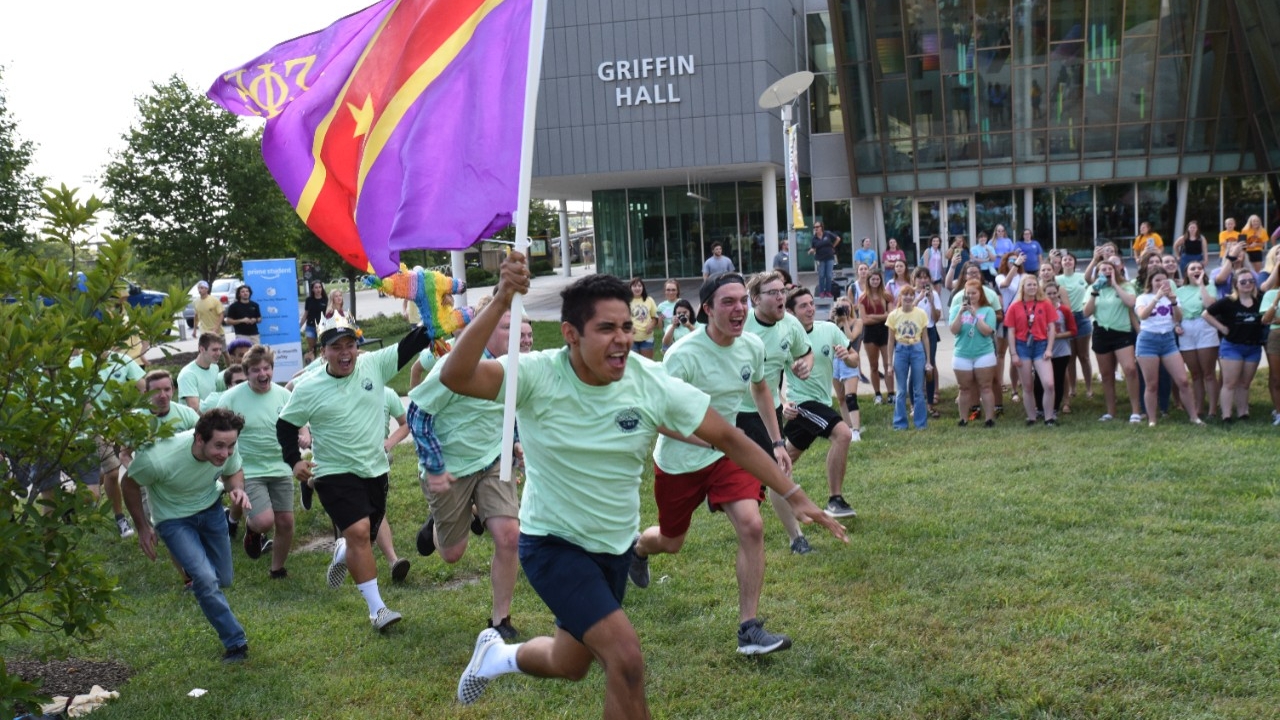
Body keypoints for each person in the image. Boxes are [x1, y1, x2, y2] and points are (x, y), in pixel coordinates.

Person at [444, 261, 844, 714]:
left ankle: (497, 656)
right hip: (554, 544)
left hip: (614, 547)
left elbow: (729, 437)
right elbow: (456, 376)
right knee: (626, 659)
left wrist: (794, 495)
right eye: (605, 328)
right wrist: (500, 298)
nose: (622, 338)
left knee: (570, 662)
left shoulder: (647, 379)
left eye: (626, 326)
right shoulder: (536, 375)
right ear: (571, 334)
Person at [634, 271, 832, 654]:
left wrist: (776, 439)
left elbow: (761, 386)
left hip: (727, 454)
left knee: (752, 525)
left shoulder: (751, 346)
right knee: (671, 541)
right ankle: (639, 549)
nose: (739, 308)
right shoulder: (683, 355)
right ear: (707, 309)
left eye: (743, 300)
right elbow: (656, 417)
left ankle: (749, 629)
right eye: (728, 302)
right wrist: (707, 440)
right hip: (680, 461)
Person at [275, 312, 436, 631]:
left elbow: (412, 343)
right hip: (333, 472)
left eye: (350, 344)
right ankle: (377, 610)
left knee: (366, 533)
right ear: (323, 352)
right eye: (336, 347)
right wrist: (294, 461)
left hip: (375, 470)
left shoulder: (374, 365)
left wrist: (437, 315)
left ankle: (343, 551)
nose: (345, 352)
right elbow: (285, 424)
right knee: (361, 531)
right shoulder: (308, 388)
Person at [407, 299, 523, 640]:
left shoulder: (513, 365)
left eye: (518, 328)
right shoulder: (454, 367)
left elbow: (510, 406)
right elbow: (417, 414)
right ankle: (440, 523)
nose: (516, 336)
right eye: (507, 328)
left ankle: (500, 620)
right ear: (484, 331)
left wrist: (514, 440)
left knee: (509, 535)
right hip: (450, 469)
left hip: (492, 460)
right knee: (452, 554)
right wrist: (435, 466)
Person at [120, 409, 251, 662]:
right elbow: (129, 484)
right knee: (205, 578)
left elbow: (234, 470)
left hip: (212, 510)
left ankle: (204, 585)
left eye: (231, 445)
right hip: (173, 520)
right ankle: (236, 642)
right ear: (199, 439)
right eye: (219, 446)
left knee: (222, 579)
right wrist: (143, 527)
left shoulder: (227, 450)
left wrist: (236, 489)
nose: (225, 453)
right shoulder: (158, 458)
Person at [734, 271, 815, 554]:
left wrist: (805, 364)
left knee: (778, 472)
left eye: (783, 291)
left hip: (767, 411)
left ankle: (796, 538)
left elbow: (805, 352)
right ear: (755, 299)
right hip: (732, 411)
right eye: (774, 292)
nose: (782, 296)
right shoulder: (741, 328)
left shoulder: (790, 324)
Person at [216, 345, 299, 578]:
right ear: (247, 372)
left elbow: (298, 419)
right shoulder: (231, 398)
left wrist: (303, 434)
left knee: (285, 522)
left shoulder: (284, 395)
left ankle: (277, 568)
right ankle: (253, 532)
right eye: (255, 370)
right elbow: (216, 429)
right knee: (264, 521)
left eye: (267, 368)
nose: (262, 374)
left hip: (281, 466)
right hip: (247, 469)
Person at [782, 286, 858, 518]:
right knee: (843, 434)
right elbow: (769, 379)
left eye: (811, 304)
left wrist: (848, 356)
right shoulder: (786, 337)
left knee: (786, 458)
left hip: (822, 403)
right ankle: (835, 500)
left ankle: (753, 487)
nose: (810, 309)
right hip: (802, 403)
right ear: (792, 312)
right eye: (803, 306)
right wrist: (783, 402)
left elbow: (854, 359)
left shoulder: (829, 329)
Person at [1134, 270, 1203, 427]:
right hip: (1148, 341)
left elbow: (1178, 318)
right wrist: (1157, 298)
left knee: (1183, 381)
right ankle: (1152, 419)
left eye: (1164, 281)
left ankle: (1194, 417)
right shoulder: (1143, 298)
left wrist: (1172, 301)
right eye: (1157, 280)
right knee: (1151, 384)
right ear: (1150, 282)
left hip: (1168, 340)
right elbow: (1142, 315)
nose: (1161, 283)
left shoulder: (1173, 297)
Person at [1084, 259, 1143, 423]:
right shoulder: (1092, 288)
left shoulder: (1126, 286)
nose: (1106, 271)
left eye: (1110, 268)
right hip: (1101, 332)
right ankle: (1111, 411)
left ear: (1115, 271)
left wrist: (1116, 285)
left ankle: (1135, 411)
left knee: (1130, 369)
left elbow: (1131, 303)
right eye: (1103, 269)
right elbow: (1086, 313)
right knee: (1107, 375)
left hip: (1122, 332)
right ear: (1098, 272)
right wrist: (1095, 292)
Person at [1204, 268, 1266, 422]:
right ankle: (1226, 415)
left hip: (1253, 347)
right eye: (1243, 281)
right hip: (1232, 346)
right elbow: (1206, 314)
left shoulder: (1259, 300)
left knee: (1245, 383)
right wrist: (1222, 328)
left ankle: (1243, 412)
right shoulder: (1228, 301)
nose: (1247, 284)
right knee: (1229, 383)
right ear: (1235, 285)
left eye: (1251, 281)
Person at [1005, 275, 1058, 425]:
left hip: (1041, 345)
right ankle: (1032, 417)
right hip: (1022, 346)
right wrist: (1013, 353)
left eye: (1035, 285)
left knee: (1049, 384)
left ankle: (1049, 417)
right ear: (1023, 287)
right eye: (1029, 285)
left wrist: (1049, 348)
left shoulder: (1045, 304)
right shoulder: (1014, 307)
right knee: (1027, 385)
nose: (1033, 287)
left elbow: (1052, 327)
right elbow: (1011, 331)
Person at [949, 279, 998, 427]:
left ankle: (989, 419)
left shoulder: (988, 310)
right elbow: (954, 330)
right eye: (968, 293)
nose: (971, 296)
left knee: (985, 387)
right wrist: (960, 313)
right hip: (962, 354)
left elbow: (987, 331)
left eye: (974, 293)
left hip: (984, 353)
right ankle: (963, 419)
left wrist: (975, 315)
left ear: (980, 294)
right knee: (963, 388)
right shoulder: (957, 308)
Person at [1176, 261, 1221, 419]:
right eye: (1192, 268)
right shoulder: (1180, 291)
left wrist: (1201, 284)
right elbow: (1177, 313)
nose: (1196, 270)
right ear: (1186, 272)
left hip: (1205, 325)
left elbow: (1210, 305)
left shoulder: (1210, 286)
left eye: (1199, 268)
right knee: (1195, 373)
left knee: (1208, 373)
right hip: (1186, 328)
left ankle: (1213, 410)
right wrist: (1176, 325)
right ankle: (1199, 408)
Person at [886, 285, 931, 429]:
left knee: (918, 390)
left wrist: (928, 360)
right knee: (901, 390)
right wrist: (889, 363)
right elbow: (891, 341)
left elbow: (925, 338)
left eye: (912, 295)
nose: (908, 297)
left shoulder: (921, 313)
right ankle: (900, 423)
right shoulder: (893, 315)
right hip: (901, 350)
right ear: (900, 297)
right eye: (905, 294)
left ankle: (921, 424)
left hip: (917, 350)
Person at [1033, 282, 1077, 419]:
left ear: (1058, 293)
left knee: (1057, 380)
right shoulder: (1038, 308)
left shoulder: (1064, 310)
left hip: (1061, 351)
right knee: (1039, 381)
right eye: (1048, 293)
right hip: (1042, 350)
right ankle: (1040, 408)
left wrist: (1057, 336)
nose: (1052, 296)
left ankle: (1054, 409)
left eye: (1054, 293)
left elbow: (1073, 331)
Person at [1056, 252, 1093, 405]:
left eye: (1070, 259)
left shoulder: (1082, 277)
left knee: (1083, 355)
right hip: (1065, 319)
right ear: (1061, 263)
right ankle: (1072, 388)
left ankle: (1089, 387)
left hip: (1081, 317)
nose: (1068, 261)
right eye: (1065, 259)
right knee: (1070, 357)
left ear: (1075, 263)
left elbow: (1093, 283)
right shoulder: (1057, 279)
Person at [829, 295, 864, 437]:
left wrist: (844, 323)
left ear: (851, 307)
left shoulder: (857, 321)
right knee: (841, 398)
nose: (844, 309)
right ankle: (849, 428)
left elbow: (850, 338)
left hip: (850, 360)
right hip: (835, 362)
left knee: (851, 397)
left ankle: (856, 430)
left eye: (846, 306)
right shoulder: (832, 324)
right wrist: (835, 321)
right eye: (841, 307)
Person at [858, 271, 894, 404]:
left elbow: (891, 315)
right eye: (872, 279)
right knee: (874, 366)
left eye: (877, 279)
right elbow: (865, 320)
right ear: (868, 281)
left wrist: (872, 316)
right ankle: (878, 394)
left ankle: (891, 394)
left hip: (885, 332)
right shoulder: (863, 298)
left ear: (881, 280)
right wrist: (882, 316)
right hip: (870, 333)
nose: (875, 281)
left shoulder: (886, 296)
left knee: (888, 364)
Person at [912, 269, 944, 416]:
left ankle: (930, 404)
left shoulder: (934, 294)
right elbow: (905, 311)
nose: (923, 281)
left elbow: (936, 317)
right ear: (915, 279)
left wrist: (931, 301)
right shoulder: (909, 292)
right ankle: (914, 405)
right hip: (912, 334)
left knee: (929, 366)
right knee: (914, 369)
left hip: (929, 331)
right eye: (920, 278)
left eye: (926, 278)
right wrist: (918, 298)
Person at [177, 333, 224, 411]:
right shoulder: (188, 374)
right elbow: (194, 408)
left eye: (220, 349)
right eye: (214, 350)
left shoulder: (214, 367)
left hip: (212, 415)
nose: (219, 353)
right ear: (202, 349)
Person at [1260, 283, 1280, 426]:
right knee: (1276, 378)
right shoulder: (1270, 294)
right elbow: (1266, 320)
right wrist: (1277, 299)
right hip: (1276, 337)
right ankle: (1279, 412)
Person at [808, 222, 841, 298]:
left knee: (829, 275)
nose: (815, 228)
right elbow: (813, 247)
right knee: (822, 275)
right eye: (814, 227)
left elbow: (838, 239)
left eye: (817, 227)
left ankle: (828, 292)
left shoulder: (827, 234)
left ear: (821, 227)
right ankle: (822, 292)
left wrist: (833, 246)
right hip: (820, 259)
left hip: (829, 257)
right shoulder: (814, 238)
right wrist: (811, 250)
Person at [628, 277, 659, 359]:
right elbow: (620, 319)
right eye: (634, 286)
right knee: (634, 365)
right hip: (631, 338)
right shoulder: (625, 300)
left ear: (643, 288)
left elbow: (655, 317)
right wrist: (628, 326)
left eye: (639, 286)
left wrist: (652, 325)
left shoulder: (649, 300)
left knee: (647, 364)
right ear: (630, 288)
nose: (637, 288)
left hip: (647, 338)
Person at [301, 280, 328, 357]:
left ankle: (323, 363)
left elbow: (328, 314)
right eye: (316, 287)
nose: (318, 289)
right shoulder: (309, 300)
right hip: (310, 327)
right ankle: (312, 363)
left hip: (322, 327)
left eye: (320, 287)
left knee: (324, 347)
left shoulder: (325, 300)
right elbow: (305, 314)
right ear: (312, 289)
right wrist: (299, 326)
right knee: (311, 349)